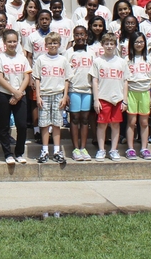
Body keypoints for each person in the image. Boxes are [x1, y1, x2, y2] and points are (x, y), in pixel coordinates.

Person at [0, 29, 31, 164]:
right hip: (4, 94)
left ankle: (19, 153)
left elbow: (27, 76)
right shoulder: (0, 58)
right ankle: (7, 154)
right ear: (4, 42)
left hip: (21, 95)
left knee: (22, 126)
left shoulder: (22, 58)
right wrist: (14, 91)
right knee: (4, 126)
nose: (12, 44)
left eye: (14, 41)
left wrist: (19, 93)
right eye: (9, 41)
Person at [91, 33, 129, 162]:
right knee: (102, 125)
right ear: (102, 45)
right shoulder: (98, 61)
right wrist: (96, 99)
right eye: (106, 44)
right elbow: (95, 81)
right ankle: (101, 150)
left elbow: (125, 82)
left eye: (111, 44)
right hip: (103, 98)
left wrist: (125, 100)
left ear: (115, 45)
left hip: (117, 98)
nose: (109, 46)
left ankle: (113, 150)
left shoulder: (122, 62)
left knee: (115, 125)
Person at [33, 32, 70, 164]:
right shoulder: (41, 59)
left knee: (56, 124)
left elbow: (66, 79)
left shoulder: (63, 60)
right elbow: (37, 79)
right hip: (44, 94)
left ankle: (56, 150)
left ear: (59, 45)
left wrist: (65, 96)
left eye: (55, 43)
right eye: (50, 43)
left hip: (58, 94)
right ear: (46, 45)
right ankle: (44, 150)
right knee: (44, 123)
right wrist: (38, 96)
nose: (53, 45)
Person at [125, 32, 151, 160]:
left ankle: (144, 148)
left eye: (141, 42)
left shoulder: (150, 60)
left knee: (144, 122)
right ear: (132, 43)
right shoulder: (127, 60)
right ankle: (130, 148)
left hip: (145, 92)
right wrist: (125, 98)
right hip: (131, 92)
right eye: (136, 42)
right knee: (131, 122)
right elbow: (125, 80)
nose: (139, 44)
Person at [65, 25, 93, 161]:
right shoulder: (69, 53)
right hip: (73, 90)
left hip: (88, 90)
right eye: (77, 34)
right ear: (73, 36)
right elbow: (65, 74)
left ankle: (83, 148)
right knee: (75, 118)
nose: (80, 37)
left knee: (85, 119)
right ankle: (75, 148)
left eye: (82, 34)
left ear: (86, 36)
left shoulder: (92, 52)